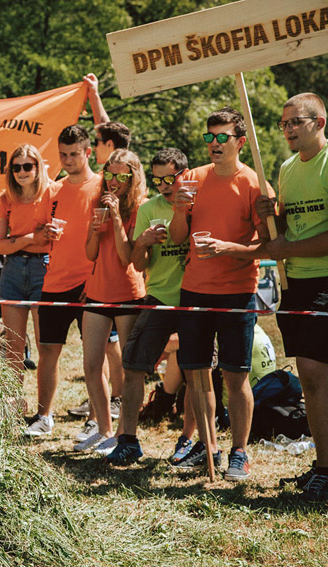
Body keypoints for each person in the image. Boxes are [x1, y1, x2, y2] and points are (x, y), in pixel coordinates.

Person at [257, 93, 328, 502]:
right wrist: (265, 212)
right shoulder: (286, 168)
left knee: (312, 370)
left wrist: (286, 249)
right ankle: (324, 465)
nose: (287, 129)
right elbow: (286, 229)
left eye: (294, 122)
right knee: (316, 375)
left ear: (319, 122)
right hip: (297, 279)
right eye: (283, 123)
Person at [168, 107, 271, 481]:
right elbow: (178, 238)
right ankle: (209, 447)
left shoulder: (254, 183)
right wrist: (180, 210)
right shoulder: (192, 178)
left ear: (240, 142)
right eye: (208, 137)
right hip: (194, 288)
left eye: (221, 137)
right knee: (196, 374)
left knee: (236, 375)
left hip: (237, 291)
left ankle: (239, 452)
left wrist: (228, 248)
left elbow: (267, 245)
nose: (213, 144)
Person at [105, 148, 190, 465]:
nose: (165, 186)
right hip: (158, 298)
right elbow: (138, 265)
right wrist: (142, 242)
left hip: (195, 296)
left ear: (183, 174)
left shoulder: (197, 202)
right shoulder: (148, 208)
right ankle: (128, 440)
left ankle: (190, 440)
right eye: (158, 180)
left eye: (170, 178)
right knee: (133, 367)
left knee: (196, 371)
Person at [24, 125, 101, 436]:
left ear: (88, 152)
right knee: (48, 351)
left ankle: (96, 419)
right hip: (54, 282)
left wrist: (96, 280)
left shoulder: (101, 187)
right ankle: (44, 417)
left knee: (93, 356)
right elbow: (41, 230)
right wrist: (46, 234)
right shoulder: (52, 189)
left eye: (74, 154)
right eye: (63, 155)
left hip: (91, 283)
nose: (68, 160)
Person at [73, 150, 146, 454]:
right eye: (110, 175)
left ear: (133, 178)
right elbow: (90, 254)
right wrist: (92, 232)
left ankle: (123, 433)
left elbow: (126, 256)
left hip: (128, 293)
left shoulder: (140, 207)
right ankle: (103, 429)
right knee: (91, 364)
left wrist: (116, 218)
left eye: (121, 176)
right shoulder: (96, 202)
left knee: (129, 369)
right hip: (97, 292)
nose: (114, 181)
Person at [0, 145, 51, 380]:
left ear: (38, 167)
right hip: (12, 270)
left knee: (44, 345)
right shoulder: (5, 199)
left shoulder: (50, 194)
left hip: (43, 269)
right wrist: (32, 238)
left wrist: (16, 241)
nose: (22, 172)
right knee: (13, 345)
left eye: (27, 166)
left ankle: (44, 410)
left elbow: (50, 243)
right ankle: (13, 407)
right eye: (16, 167)